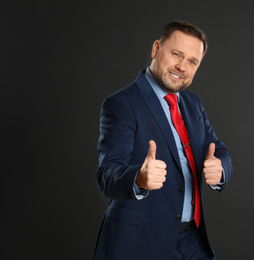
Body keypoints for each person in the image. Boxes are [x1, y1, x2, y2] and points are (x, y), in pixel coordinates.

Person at [94, 20, 233, 260]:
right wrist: (138, 177)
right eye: (176, 54)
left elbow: (218, 150)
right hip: (141, 242)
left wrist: (220, 169)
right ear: (156, 49)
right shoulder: (122, 104)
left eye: (192, 61)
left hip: (192, 240)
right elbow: (107, 175)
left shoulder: (193, 104)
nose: (182, 67)